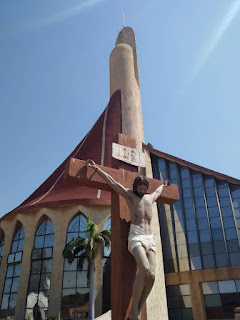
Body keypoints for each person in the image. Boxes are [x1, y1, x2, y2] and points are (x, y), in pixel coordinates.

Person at [86, 159, 170, 320]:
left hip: (149, 238)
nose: (143, 189)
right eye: (140, 187)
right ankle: (134, 310)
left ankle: (135, 309)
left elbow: (158, 191)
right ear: (135, 187)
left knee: (152, 276)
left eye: (145, 187)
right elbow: (112, 182)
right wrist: (96, 168)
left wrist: (163, 185)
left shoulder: (150, 197)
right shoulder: (130, 196)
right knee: (144, 269)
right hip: (136, 236)